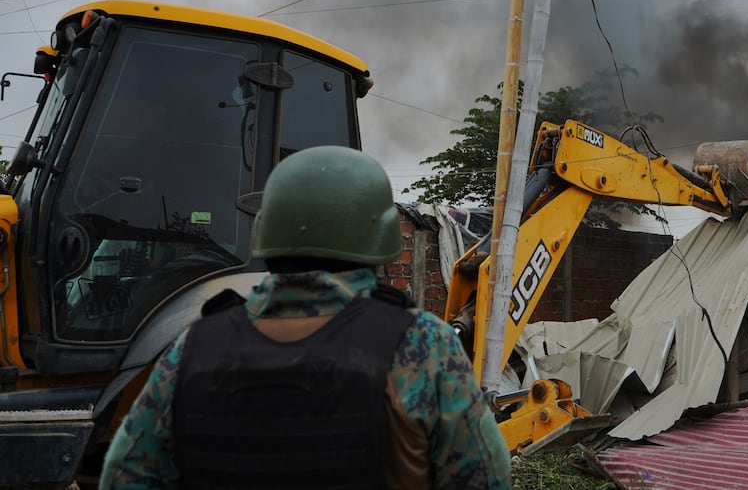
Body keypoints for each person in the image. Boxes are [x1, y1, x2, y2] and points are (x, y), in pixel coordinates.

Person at [100, 145, 512, 489]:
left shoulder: (192, 348)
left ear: (268, 231)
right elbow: (485, 478)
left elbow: (125, 477)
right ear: (381, 235)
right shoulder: (422, 345)